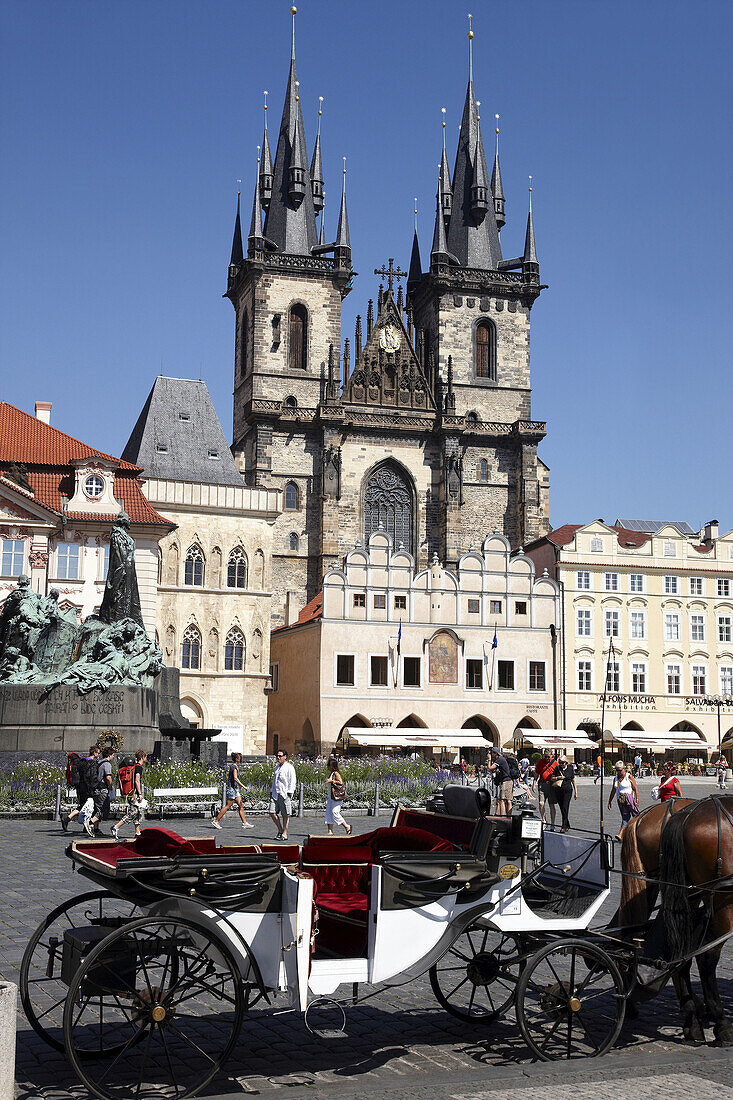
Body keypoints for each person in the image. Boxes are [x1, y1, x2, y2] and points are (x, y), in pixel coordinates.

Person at [211, 752, 254, 830]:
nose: (240, 759)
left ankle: (244, 823)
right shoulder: (233, 767)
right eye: (239, 758)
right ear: (237, 759)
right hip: (231, 789)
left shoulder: (235, 766)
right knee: (228, 806)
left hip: (235, 789)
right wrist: (244, 787)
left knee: (240, 804)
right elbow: (235, 778)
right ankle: (216, 821)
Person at [62, 744, 100, 831]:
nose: (98, 755)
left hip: (80, 787)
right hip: (88, 788)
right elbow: (92, 777)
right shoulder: (92, 763)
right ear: (94, 753)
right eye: (98, 753)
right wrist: (95, 786)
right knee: (89, 806)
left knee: (83, 805)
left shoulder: (82, 762)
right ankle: (67, 819)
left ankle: (81, 825)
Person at [112, 749, 148, 840]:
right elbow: (137, 780)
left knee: (138, 812)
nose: (146, 758)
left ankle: (137, 832)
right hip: (134, 793)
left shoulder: (134, 766)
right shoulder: (138, 767)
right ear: (143, 757)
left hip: (129, 792)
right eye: (145, 757)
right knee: (133, 812)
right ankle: (116, 827)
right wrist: (140, 793)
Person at [86, 747, 116, 837]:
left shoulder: (99, 762)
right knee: (103, 810)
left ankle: (96, 829)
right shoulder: (107, 764)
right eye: (113, 755)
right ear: (109, 755)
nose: (113, 757)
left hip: (96, 790)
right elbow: (108, 777)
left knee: (97, 810)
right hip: (103, 790)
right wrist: (110, 787)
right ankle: (90, 823)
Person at [608, 760, 639, 838]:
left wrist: (637, 799)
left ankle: (622, 834)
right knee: (625, 817)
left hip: (630, 800)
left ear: (624, 769)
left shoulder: (629, 776)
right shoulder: (615, 778)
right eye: (617, 770)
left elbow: (635, 788)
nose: (618, 772)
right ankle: (628, 833)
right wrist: (609, 801)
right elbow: (613, 790)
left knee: (634, 816)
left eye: (620, 770)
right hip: (621, 800)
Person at [269, 749, 296, 840]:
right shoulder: (277, 767)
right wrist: (271, 790)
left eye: (280, 756)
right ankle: (280, 830)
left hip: (284, 793)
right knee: (272, 812)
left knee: (285, 814)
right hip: (275, 793)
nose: (278, 757)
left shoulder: (289, 767)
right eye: (277, 756)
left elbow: (292, 781)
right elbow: (275, 780)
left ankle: (284, 833)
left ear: (285, 757)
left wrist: (289, 792)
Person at [325, 755, 352, 836]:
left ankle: (347, 826)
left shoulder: (336, 773)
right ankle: (330, 831)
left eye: (328, 765)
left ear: (332, 766)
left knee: (335, 812)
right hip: (331, 796)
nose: (327, 767)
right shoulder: (332, 773)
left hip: (337, 797)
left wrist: (331, 781)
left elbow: (340, 782)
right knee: (329, 813)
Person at [532, 753, 560, 825]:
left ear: (552, 756)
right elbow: (537, 773)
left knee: (551, 805)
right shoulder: (541, 762)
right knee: (541, 803)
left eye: (548, 757)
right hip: (542, 783)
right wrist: (534, 784)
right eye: (545, 757)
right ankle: (544, 820)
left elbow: (559, 773)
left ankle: (552, 824)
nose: (547, 758)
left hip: (551, 785)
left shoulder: (555, 763)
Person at [488, 748, 513, 816]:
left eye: (492, 753)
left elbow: (489, 768)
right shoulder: (501, 759)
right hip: (508, 781)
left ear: (495, 753)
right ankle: (508, 817)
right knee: (508, 800)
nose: (491, 754)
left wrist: (489, 759)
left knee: (502, 800)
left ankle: (503, 817)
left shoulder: (499, 760)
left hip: (506, 781)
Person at [556, 755, 578, 832]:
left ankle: (564, 826)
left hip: (568, 790)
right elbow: (552, 778)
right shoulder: (557, 768)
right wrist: (558, 778)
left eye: (562, 763)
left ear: (566, 762)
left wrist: (576, 792)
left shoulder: (570, 768)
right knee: (562, 809)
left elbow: (573, 780)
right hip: (558, 790)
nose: (561, 764)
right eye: (560, 762)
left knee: (565, 807)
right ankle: (567, 824)